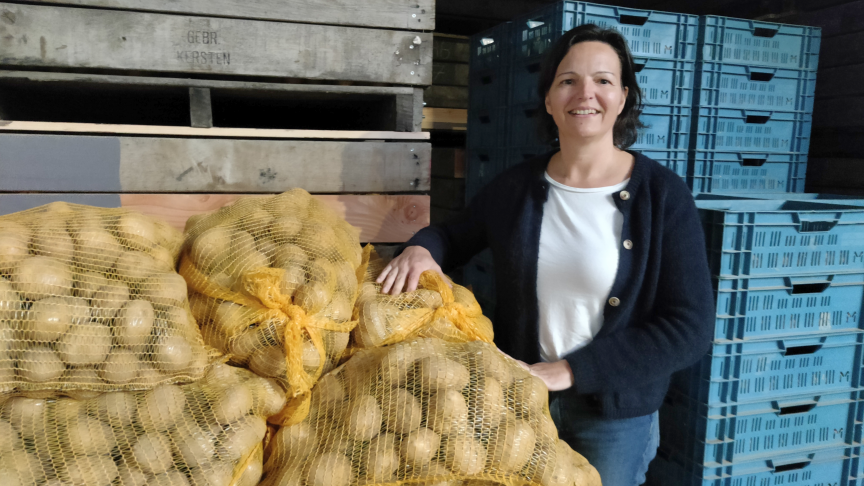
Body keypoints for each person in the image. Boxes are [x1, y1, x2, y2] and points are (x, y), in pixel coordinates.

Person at [376, 24, 714, 486]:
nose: (585, 93)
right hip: (518, 400)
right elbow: (454, 236)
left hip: (612, 422)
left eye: (603, 80)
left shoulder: (662, 197)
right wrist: (421, 248)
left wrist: (567, 372)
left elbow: (689, 327)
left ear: (623, 97)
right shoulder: (517, 189)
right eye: (568, 80)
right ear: (550, 99)